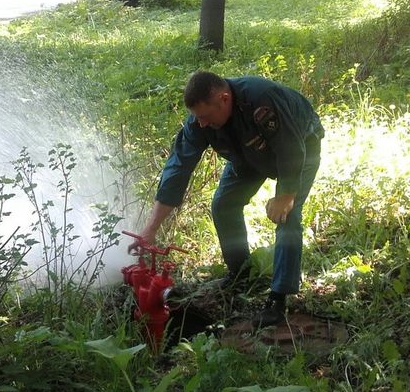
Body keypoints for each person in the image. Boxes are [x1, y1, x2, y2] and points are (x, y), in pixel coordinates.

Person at [129, 71, 323, 327]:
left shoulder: (261, 99)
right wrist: (151, 228)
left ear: (224, 98)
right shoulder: (200, 122)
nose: (202, 124)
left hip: (300, 149)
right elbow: (178, 168)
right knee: (224, 204)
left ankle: (278, 299)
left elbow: (290, 147)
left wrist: (286, 194)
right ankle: (241, 271)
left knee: (287, 216)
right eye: (197, 118)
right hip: (247, 156)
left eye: (207, 117)